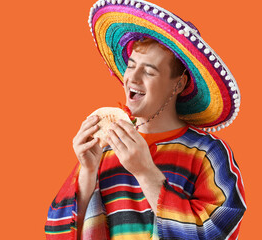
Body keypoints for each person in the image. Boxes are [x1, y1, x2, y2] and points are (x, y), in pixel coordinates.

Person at [45, 1, 246, 239]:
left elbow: (219, 230)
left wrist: (145, 172)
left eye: (149, 71)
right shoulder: (105, 147)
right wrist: (88, 173)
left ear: (178, 84)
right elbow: (56, 232)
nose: (133, 78)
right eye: (131, 66)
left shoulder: (208, 154)